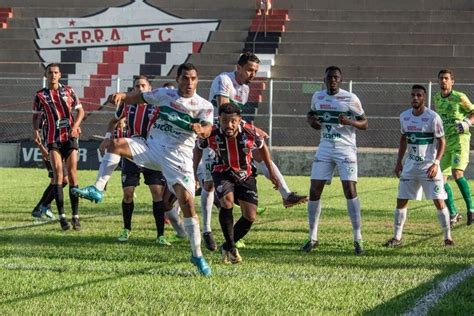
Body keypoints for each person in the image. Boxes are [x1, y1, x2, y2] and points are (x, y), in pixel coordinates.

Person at [72, 63, 213, 276]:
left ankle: (197, 255)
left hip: (179, 159)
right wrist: (121, 95)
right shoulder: (164, 94)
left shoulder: (203, 105)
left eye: (193, 78)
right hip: (152, 148)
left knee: (188, 206)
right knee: (116, 144)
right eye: (185, 78)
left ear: (197, 80)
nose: (189, 83)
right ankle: (98, 188)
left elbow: (208, 128)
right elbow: (137, 98)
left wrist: (201, 129)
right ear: (178, 79)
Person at [195, 52, 307, 250]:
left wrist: (249, 130)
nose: (252, 74)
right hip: (215, 136)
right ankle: (206, 231)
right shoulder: (224, 79)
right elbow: (225, 110)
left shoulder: (245, 89)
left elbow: (236, 118)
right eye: (249, 70)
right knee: (209, 183)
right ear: (238, 67)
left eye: (255, 71)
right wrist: (249, 127)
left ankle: (285, 193)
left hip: (234, 134)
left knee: (259, 151)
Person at [98, 76, 185, 245]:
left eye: (143, 85)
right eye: (137, 86)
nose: (140, 88)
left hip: (152, 151)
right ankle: (126, 229)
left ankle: (160, 235)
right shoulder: (128, 104)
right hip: (132, 152)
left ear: (150, 88)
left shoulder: (158, 105)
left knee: (157, 193)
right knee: (128, 193)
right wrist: (108, 137)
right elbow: (113, 121)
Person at [198, 103, 279, 263]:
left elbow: (263, 148)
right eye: (224, 120)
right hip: (222, 172)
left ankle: (226, 246)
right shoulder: (211, 134)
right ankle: (232, 247)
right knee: (226, 203)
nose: (229, 125)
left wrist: (271, 172)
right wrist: (193, 171)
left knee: (250, 216)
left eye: (233, 121)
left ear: (239, 120)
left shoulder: (251, 132)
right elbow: (198, 148)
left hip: (245, 174)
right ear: (219, 119)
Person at [303, 66, 368, 255]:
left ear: (341, 80)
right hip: (325, 146)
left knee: (350, 189)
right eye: (329, 77)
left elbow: (365, 123)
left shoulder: (350, 98)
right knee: (314, 189)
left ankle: (358, 238)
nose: (332, 80)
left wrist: (350, 122)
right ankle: (312, 237)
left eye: (336, 77)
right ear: (324, 79)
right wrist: (311, 121)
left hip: (346, 149)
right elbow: (311, 113)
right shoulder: (318, 97)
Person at [384, 85, 453, 247]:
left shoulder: (433, 117)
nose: (415, 98)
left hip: (429, 167)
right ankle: (397, 238)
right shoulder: (404, 117)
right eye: (413, 95)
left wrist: (436, 163)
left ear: (424, 98)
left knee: (439, 201)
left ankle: (447, 238)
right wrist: (398, 162)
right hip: (410, 166)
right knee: (401, 201)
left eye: (419, 95)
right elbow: (403, 139)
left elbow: (442, 141)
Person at [32, 63, 85, 230]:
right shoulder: (40, 95)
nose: (53, 75)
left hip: (69, 137)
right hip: (52, 138)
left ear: (60, 75)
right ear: (46, 75)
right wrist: (36, 131)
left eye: (55, 72)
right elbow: (36, 116)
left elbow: (81, 111)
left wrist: (75, 126)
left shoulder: (69, 91)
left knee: (73, 174)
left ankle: (75, 216)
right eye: (50, 73)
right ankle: (62, 217)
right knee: (58, 175)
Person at [433, 69, 474, 226]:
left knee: (457, 173)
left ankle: (471, 209)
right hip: (445, 143)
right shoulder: (437, 98)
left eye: (446, 78)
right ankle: (454, 213)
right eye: (441, 78)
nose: (443, 81)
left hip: (459, 141)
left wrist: (467, 123)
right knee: (439, 180)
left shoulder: (459, 97)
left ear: (452, 81)